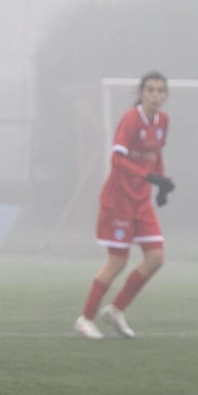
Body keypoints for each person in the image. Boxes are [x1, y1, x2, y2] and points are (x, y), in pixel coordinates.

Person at [74, 71, 174, 340]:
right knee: (117, 260)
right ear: (141, 93)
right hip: (118, 199)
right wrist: (148, 176)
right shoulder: (131, 120)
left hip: (141, 200)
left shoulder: (163, 121)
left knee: (155, 258)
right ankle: (85, 318)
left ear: (165, 95)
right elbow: (117, 160)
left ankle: (116, 310)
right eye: (150, 90)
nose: (155, 95)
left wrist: (161, 183)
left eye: (160, 90)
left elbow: (155, 155)